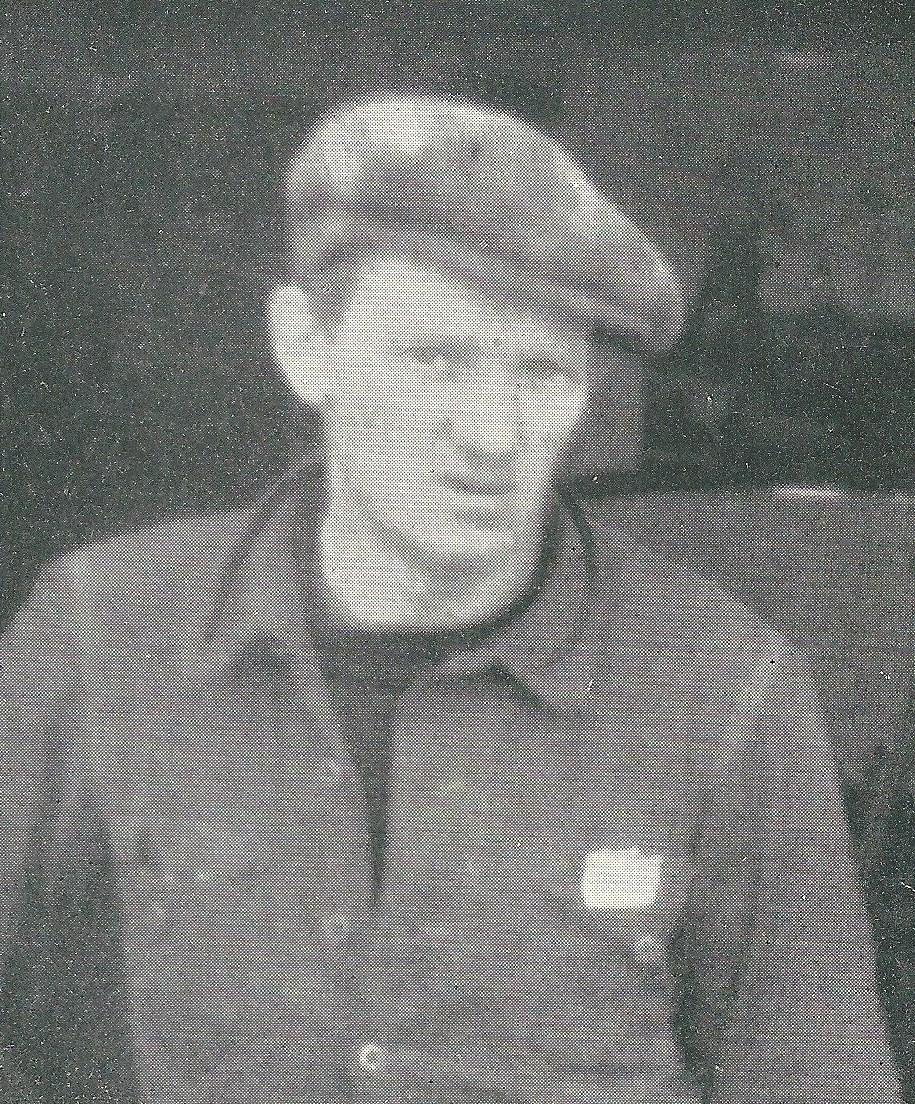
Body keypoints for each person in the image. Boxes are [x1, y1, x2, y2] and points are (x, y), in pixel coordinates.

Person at [0, 94, 901, 1103]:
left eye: (543, 373)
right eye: (436, 360)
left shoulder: (723, 693)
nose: (493, 433)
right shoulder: (100, 636)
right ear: (305, 347)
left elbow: (813, 1081)